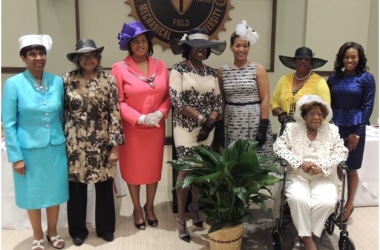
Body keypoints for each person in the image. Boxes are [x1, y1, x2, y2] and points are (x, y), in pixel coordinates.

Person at [2, 34, 68, 250]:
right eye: (32, 54)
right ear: (24, 58)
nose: (38, 57)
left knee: (54, 192)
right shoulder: (13, 84)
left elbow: (61, 117)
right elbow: (9, 123)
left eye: (41, 53)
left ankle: (52, 231)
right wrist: (16, 156)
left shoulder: (57, 81)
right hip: (28, 150)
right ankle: (37, 235)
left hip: (55, 148)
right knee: (33, 194)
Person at [64, 39, 125, 246]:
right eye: (84, 56)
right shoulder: (67, 80)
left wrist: (115, 147)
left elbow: (115, 115)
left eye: (92, 56)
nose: (88, 60)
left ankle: (106, 227)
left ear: (98, 58)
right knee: (76, 189)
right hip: (75, 144)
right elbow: (61, 113)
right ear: (78, 60)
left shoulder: (109, 80)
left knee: (104, 187)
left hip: (102, 144)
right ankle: (78, 231)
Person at [112, 21, 171, 231]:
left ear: (149, 43)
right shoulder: (119, 68)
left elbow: (167, 96)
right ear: (128, 44)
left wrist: (160, 113)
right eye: (135, 41)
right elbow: (118, 102)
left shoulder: (161, 65)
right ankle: (137, 208)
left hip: (155, 128)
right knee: (135, 171)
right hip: (133, 130)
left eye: (143, 41)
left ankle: (150, 207)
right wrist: (137, 118)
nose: (140, 45)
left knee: (153, 170)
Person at [169, 28, 226, 242]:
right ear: (188, 48)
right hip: (185, 127)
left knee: (200, 170)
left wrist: (210, 123)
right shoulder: (178, 69)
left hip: (207, 129)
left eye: (203, 47)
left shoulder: (211, 72)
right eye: (195, 46)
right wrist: (202, 120)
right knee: (185, 170)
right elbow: (177, 100)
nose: (200, 50)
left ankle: (195, 208)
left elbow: (217, 101)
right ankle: (181, 219)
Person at [273, 94, 348, 250]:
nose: (316, 117)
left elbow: (342, 152)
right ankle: (309, 241)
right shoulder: (291, 128)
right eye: (312, 114)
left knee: (327, 202)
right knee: (298, 199)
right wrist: (300, 163)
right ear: (304, 116)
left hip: (323, 176)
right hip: (298, 175)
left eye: (320, 114)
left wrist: (323, 165)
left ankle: (300, 236)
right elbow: (278, 148)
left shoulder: (332, 130)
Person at [327, 42, 376, 222]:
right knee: (336, 166)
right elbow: (327, 104)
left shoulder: (366, 78)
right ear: (341, 58)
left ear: (360, 58)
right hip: (335, 126)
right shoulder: (333, 78)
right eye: (346, 57)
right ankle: (335, 202)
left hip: (356, 126)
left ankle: (349, 204)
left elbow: (368, 106)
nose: (349, 60)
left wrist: (358, 132)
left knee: (352, 168)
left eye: (353, 57)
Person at [218, 20, 273, 154]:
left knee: (256, 161)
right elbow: (222, 100)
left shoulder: (258, 69)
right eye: (237, 45)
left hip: (254, 120)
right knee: (234, 163)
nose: (241, 49)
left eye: (245, 46)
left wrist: (263, 125)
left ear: (249, 48)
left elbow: (265, 98)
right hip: (231, 121)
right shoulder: (222, 70)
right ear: (231, 47)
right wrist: (220, 125)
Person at [271, 47, 330, 133]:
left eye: (307, 59)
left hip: (310, 131)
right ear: (294, 62)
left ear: (311, 63)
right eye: (300, 59)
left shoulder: (319, 82)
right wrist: (281, 114)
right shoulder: (284, 79)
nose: (303, 61)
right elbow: (274, 102)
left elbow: (325, 109)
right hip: (286, 129)